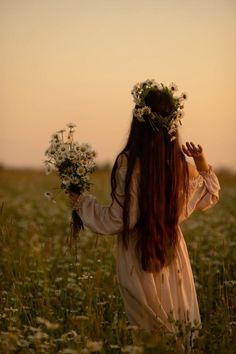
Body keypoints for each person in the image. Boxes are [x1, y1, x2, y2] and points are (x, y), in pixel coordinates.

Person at [69, 80, 220, 339]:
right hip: (172, 256)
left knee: (149, 335)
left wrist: (81, 201)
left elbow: (117, 220)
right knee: (178, 328)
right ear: (172, 124)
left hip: (138, 258)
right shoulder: (181, 166)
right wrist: (201, 162)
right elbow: (210, 195)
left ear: (138, 121)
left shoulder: (129, 165)